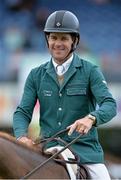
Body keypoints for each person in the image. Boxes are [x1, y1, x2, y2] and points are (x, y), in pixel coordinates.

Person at [13, 10, 117, 179]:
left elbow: (109, 104)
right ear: (47, 40)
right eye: (53, 37)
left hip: (84, 152)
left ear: (74, 41)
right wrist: (21, 137)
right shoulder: (35, 75)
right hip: (46, 149)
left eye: (64, 38)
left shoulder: (90, 71)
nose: (57, 43)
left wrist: (91, 118)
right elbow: (22, 112)